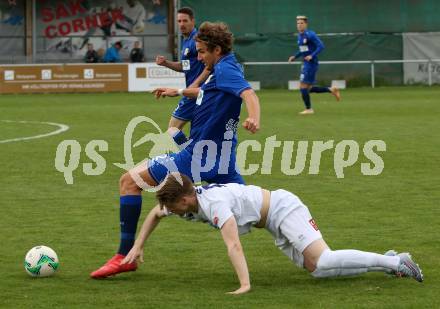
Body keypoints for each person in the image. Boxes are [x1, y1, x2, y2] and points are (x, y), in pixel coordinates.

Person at [90, 21, 261, 279]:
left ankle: (124, 256)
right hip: (222, 159)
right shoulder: (223, 66)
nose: (199, 56)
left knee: (129, 181)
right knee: (257, 209)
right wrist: (179, 91)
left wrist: (254, 117)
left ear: (216, 50)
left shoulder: (226, 70)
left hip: (196, 157)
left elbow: (249, 94)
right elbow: (207, 92)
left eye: (202, 51)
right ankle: (307, 246)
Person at [119, 173, 423, 294]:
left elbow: (233, 246)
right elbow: (154, 214)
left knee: (326, 260)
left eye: (173, 206)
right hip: (273, 222)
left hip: (283, 208)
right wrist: (138, 246)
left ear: (185, 198)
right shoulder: (185, 201)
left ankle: (398, 264)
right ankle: (388, 260)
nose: (170, 211)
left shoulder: (214, 205)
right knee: (317, 271)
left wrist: (245, 285)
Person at [155, 7, 210, 130]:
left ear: (193, 21)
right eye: (179, 21)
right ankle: (191, 149)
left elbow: (209, 67)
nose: (181, 24)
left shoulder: (197, 40)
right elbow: (185, 66)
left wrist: (195, 83)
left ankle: (187, 150)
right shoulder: (186, 41)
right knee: (197, 133)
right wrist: (165, 63)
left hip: (195, 92)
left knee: (172, 130)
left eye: (185, 21)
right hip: (194, 92)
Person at [288, 15, 341, 115]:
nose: (299, 25)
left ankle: (309, 109)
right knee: (307, 88)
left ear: (306, 24)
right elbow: (303, 50)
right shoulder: (300, 35)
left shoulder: (310, 34)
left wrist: (312, 56)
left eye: (301, 23)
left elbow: (321, 46)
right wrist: (295, 56)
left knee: (303, 87)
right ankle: (331, 90)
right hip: (306, 63)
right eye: (298, 23)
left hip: (311, 64)